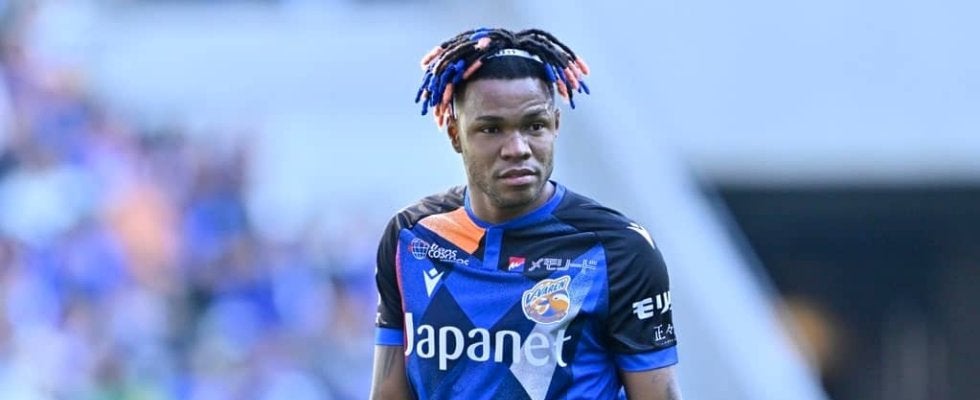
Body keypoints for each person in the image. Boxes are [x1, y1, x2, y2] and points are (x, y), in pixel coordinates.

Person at [370, 28, 681, 400]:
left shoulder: (619, 249)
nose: (517, 148)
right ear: (455, 134)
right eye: (491, 129)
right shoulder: (411, 237)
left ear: (555, 125)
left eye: (534, 126)